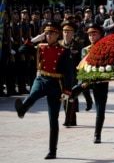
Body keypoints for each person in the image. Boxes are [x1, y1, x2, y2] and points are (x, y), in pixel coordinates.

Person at [14, 21, 74, 159]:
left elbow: (69, 73)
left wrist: (67, 91)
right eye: (46, 32)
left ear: (57, 34)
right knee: (33, 94)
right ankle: (22, 109)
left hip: (55, 84)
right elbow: (21, 50)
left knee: (53, 119)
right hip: (41, 79)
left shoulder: (64, 51)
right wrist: (36, 39)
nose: (47, 35)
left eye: (50, 32)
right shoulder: (40, 47)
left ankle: (52, 151)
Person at [73, 23, 109, 144]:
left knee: (100, 108)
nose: (92, 36)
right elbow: (84, 65)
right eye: (90, 35)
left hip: (101, 81)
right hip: (88, 79)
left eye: (94, 34)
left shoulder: (106, 47)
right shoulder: (85, 50)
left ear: (100, 35)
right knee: (77, 87)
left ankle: (97, 135)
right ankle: (81, 96)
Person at [59, 20, 80, 126]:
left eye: (69, 32)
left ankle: (68, 120)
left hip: (73, 76)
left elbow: (81, 61)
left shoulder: (77, 45)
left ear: (73, 33)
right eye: (64, 31)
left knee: (70, 97)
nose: (66, 34)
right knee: (64, 98)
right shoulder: (59, 44)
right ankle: (72, 119)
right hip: (60, 76)